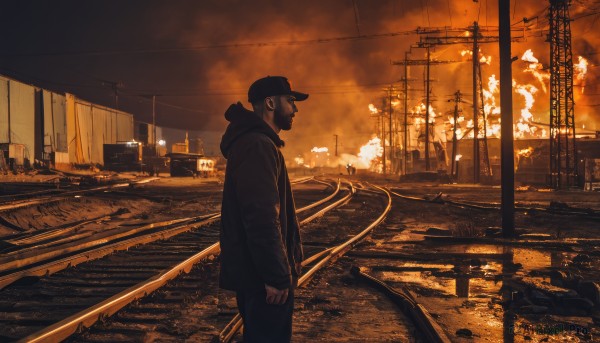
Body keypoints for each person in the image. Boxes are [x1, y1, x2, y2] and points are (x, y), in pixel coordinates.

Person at [219, 76, 308, 342]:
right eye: (290, 101)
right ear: (271, 103)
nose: (295, 109)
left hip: (257, 274)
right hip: (262, 280)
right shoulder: (257, 145)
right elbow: (262, 217)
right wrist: (277, 276)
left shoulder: (257, 143)